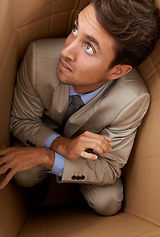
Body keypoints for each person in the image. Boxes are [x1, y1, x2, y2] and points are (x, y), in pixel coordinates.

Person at [0, 0, 159, 215]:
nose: (66, 51)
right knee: (24, 174)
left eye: (89, 47)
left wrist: (49, 158)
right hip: (44, 132)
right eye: (75, 29)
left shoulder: (133, 99)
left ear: (117, 71)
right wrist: (61, 145)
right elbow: (20, 120)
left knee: (108, 202)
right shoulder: (38, 56)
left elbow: (110, 167)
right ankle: (37, 191)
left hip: (88, 158)